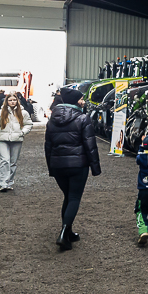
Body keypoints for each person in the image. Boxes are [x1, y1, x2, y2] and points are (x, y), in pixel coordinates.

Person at [44, 87, 101, 251]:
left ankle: (68, 232)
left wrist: (51, 166)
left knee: (68, 197)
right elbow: (90, 145)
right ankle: (63, 233)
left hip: (58, 164)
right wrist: (95, 168)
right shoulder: (83, 118)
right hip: (78, 164)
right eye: (81, 99)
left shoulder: (52, 120)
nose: (83, 101)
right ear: (76, 101)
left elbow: (48, 146)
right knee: (74, 197)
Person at [0, 93, 32, 192]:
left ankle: (9, 182)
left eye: (14, 100)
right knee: (4, 160)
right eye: (10, 100)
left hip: (17, 139)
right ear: (6, 101)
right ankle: (3, 183)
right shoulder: (0, 113)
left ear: (17, 101)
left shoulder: (23, 113)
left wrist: (22, 132)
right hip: (2, 139)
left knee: (13, 162)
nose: (12, 102)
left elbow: (28, 124)